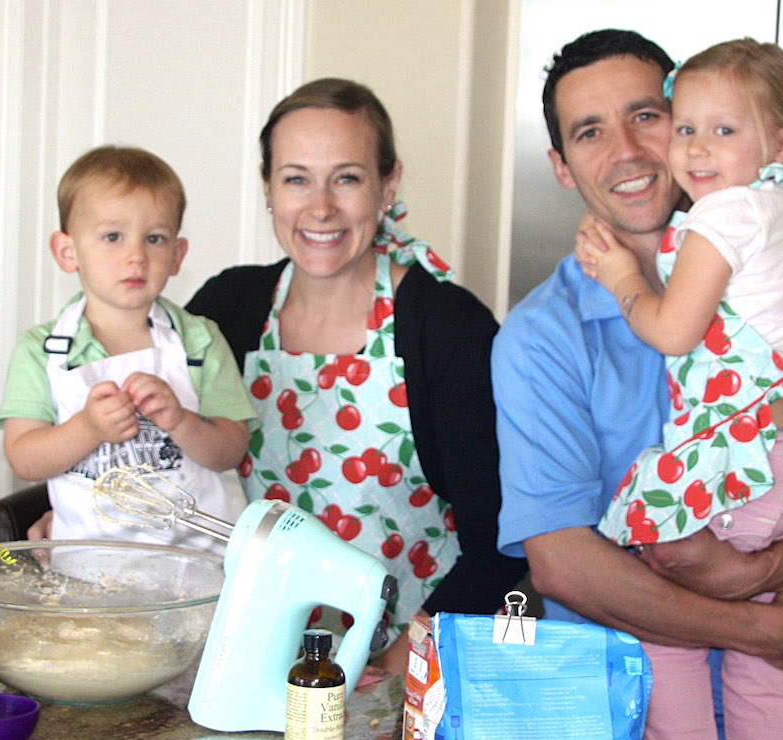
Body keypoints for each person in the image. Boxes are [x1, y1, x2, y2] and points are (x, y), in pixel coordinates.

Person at [493, 30, 783, 740]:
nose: (628, 149)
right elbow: (563, 565)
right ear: (560, 166)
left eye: (647, 115)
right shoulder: (537, 340)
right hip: (622, 739)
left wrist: (761, 575)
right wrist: (762, 620)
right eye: (589, 132)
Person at [187, 78, 528, 667]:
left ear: (387, 184)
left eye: (346, 178)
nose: (320, 208)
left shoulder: (447, 327)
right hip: (243, 652)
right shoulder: (227, 308)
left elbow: (501, 546)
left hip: (407, 669)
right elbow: (164, 456)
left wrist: (394, 671)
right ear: (267, 187)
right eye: (296, 178)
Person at [0, 145, 255, 546]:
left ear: (177, 255)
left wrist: (180, 421)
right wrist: (87, 427)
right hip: (89, 575)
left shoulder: (200, 339)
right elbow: (24, 458)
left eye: (154, 238)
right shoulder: (41, 351)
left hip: (199, 572)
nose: (136, 256)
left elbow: (231, 450)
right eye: (112, 236)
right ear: (67, 252)